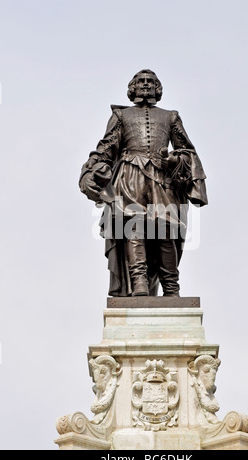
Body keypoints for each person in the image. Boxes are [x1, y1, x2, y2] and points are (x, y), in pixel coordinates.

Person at [79, 69, 208, 297]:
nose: (146, 85)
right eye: (141, 81)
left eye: (150, 81)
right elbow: (106, 147)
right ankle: (139, 282)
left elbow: (187, 151)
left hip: (162, 179)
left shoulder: (170, 116)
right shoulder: (121, 116)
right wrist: (91, 169)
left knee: (166, 229)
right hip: (130, 176)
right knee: (133, 228)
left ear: (157, 88)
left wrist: (174, 159)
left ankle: (171, 286)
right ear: (133, 88)